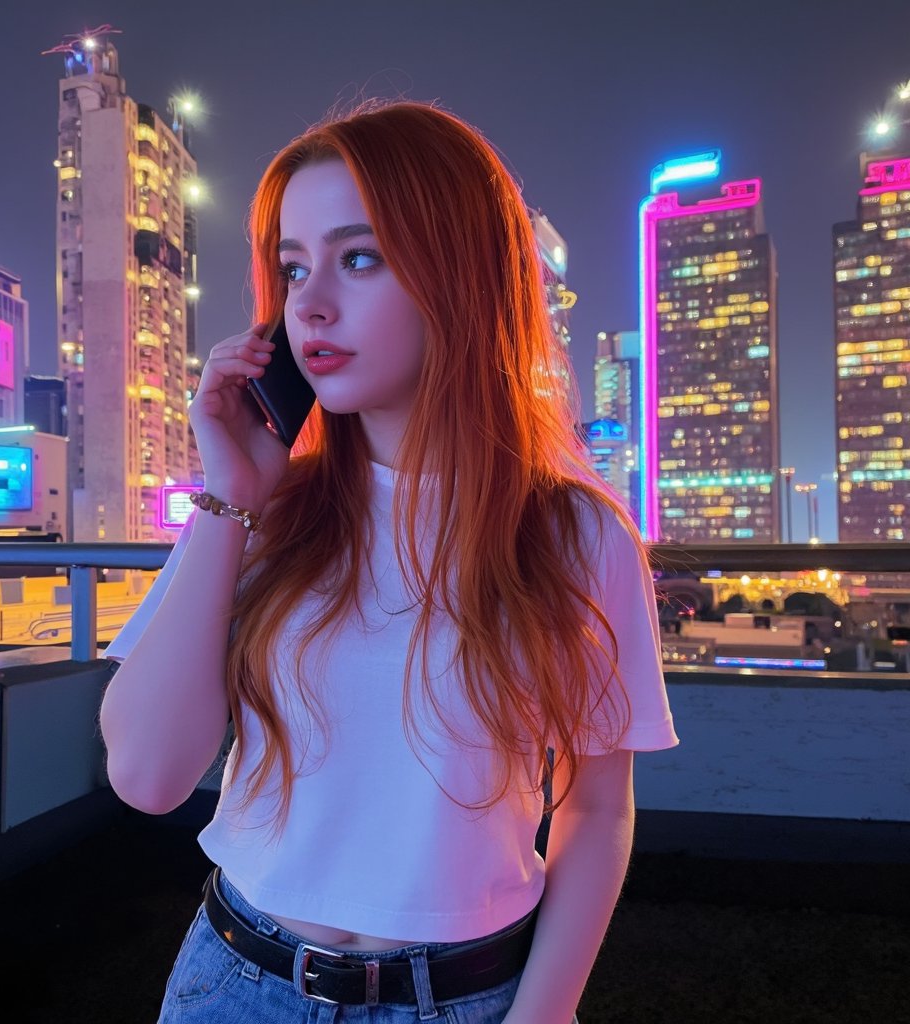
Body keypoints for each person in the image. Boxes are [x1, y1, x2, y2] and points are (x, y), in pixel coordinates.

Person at [100, 98, 679, 1024]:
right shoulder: (266, 506)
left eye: (358, 257)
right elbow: (147, 776)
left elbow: (597, 809)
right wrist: (230, 498)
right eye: (294, 268)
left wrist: (546, 1012)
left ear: (461, 273)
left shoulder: (577, 535)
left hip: (466, 997)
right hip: (235, 983)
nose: (310, 304)